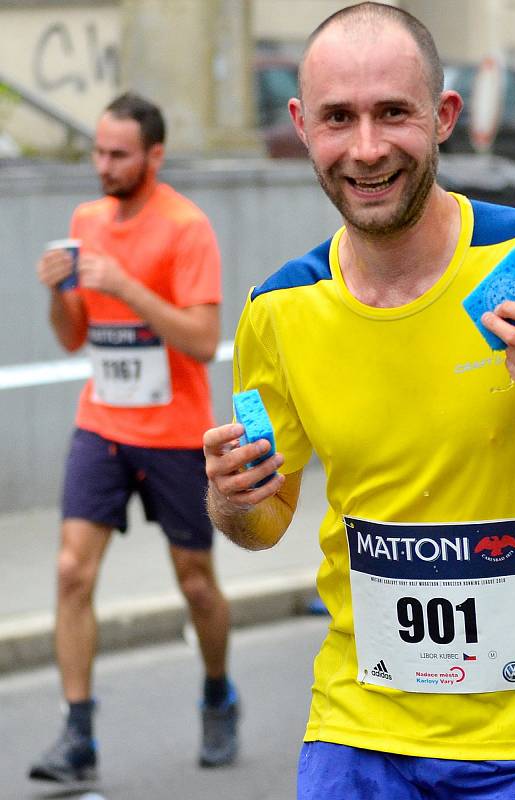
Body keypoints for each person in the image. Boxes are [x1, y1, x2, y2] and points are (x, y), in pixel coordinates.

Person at [203, 4, 515, 799]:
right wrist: (232, 498)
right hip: (357, 729)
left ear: (442, 118)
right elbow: (262, 526)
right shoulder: (278, 308)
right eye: (339, 118)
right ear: (302, 126)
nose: (366, 149)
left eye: (392, 113)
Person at [30, 92, 237, 784]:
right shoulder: (85, 220)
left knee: (196, 585)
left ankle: (217, 694)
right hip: (103, 423)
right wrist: (60, 293)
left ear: (154, 155)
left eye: (117, 155)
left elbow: (203, 341)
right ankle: (78, 734)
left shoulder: (186, 228)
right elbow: (73, 338)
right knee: (70, 572)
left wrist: (126, 284)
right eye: (97, 152)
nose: (102, 166)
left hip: (175, 432)